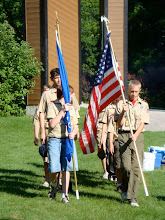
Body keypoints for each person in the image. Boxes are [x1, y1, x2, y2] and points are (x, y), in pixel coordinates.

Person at [115, 80, 149, 207]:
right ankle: (124, 189)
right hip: (124, 135)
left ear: (139, 91)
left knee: (136, 168)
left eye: (136, 91)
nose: (134, 94)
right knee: (126, 167)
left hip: (137, 136)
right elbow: (119, 124)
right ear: (128, 90)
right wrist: (123, 112)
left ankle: (133, 197)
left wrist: (135, 135)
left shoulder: (143, 105)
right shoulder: (121, 103)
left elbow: (143, 123)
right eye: (132, 91)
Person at [47, 88, 79, 203]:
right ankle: (54, 185)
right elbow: (52, 124)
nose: (72, 97)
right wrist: (62, 111)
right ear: (64, 95)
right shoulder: (52, 106)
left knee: (67, 168)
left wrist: (73, 133)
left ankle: (65, 194)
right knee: (54, 168)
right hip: (55, 139)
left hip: (67, 140)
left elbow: (75, 126)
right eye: (70, 95)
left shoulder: (72, 108)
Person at [33, 85, 50, 187]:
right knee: (46, 157)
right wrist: (36, 136)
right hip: (46, 134)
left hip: (56, 133)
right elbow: (37, 121)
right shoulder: (40, 107)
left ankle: (59, 179)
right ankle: (47, 179)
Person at [96, 109, 109, 179]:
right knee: (102, 148)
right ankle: (106, 171)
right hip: (100, 124)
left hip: (112, 123)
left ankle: (113, 172)